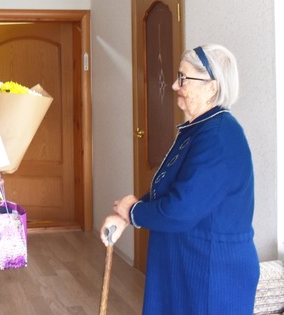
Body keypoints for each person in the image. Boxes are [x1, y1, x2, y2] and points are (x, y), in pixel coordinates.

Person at [101, 44, 259, 314]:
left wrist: (133, 211)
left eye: (183, 78)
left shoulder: (218, 136)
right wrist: (128, 214)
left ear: (211, 88)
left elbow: (180, 210)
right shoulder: (201, 129)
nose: (175, 85)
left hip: (212, 273)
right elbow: (172, 190)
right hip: (187, 263)